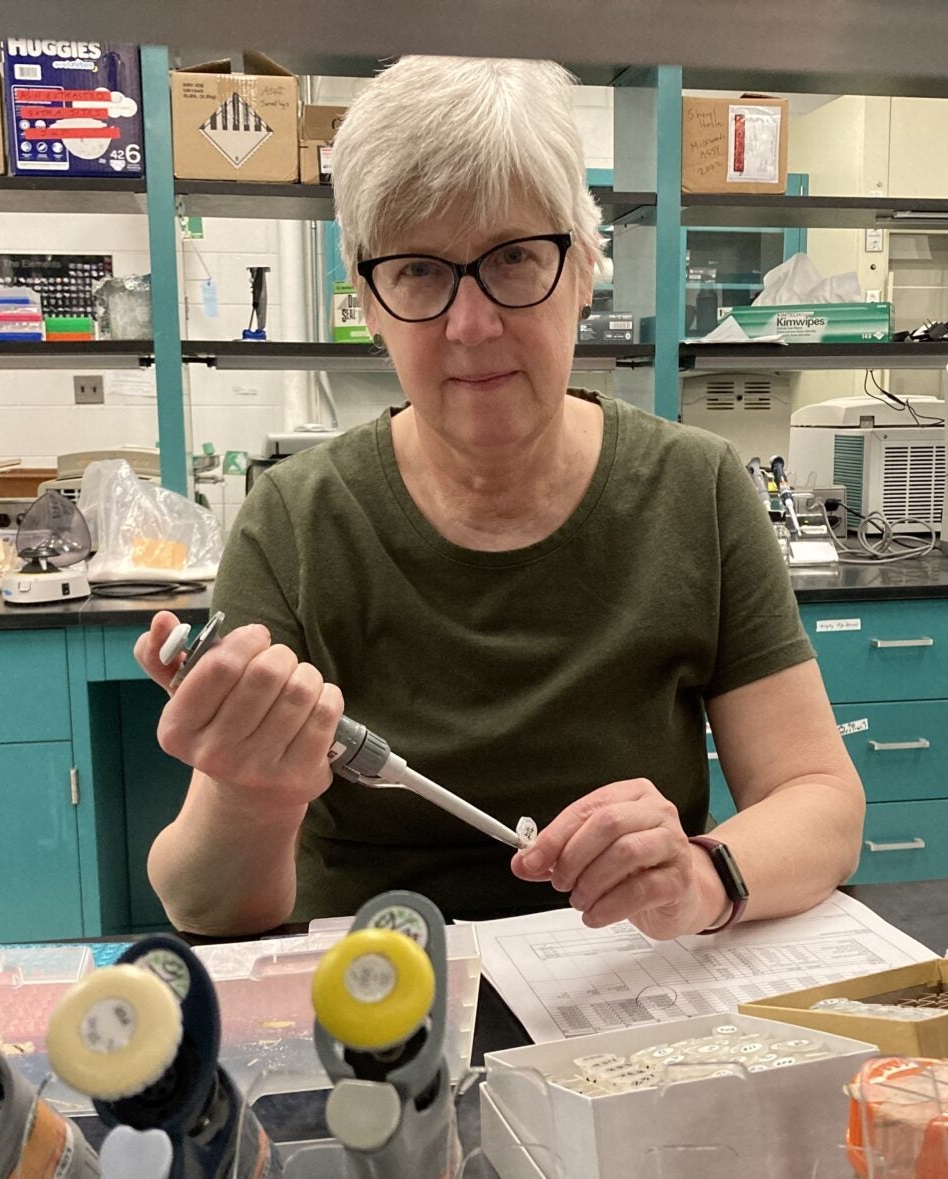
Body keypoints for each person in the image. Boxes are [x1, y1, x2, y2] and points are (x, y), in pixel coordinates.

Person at [135, 56, 865, 939]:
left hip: (627, 996)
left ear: (585, 270)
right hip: (379, 1017)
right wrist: (255, 797)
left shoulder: (696, 490)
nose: (471, 326)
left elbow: (819, 798)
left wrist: (703, 876)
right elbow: (202, 903)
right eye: (418, 272)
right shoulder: (295, 522)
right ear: (368, 300)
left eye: (516, 258)